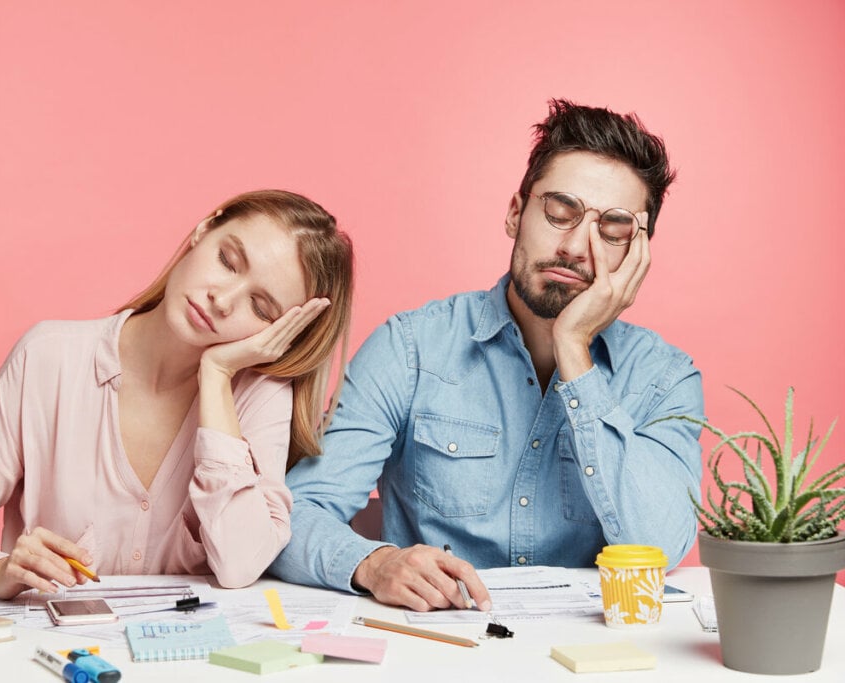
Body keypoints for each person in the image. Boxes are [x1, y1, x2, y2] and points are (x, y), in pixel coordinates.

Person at [269, 100, 704, 612]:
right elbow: (294, 516)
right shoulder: (409, 348)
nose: (576, 247)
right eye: (560, 211)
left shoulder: (666, 378)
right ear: (516, 213)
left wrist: (574, 351)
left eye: (612, 229)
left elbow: (660, 549)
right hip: (435, 647)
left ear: (637, 253)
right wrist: (374, 563)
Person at [0, 189, 353, 598]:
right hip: (55, 658)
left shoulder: (261, 397)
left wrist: (217, 374)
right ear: (204, 229)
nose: (222, 300)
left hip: (190, 661)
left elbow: (242, 563)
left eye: (262, 308)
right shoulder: (48, 357)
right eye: (227, 261)